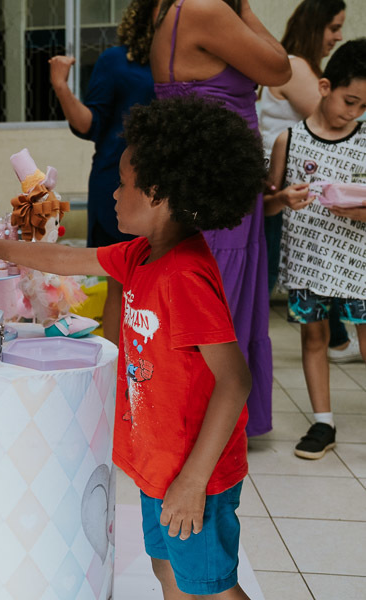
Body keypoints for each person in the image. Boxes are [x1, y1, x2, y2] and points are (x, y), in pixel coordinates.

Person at [0, 96, 261, 600]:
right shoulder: (139, 254)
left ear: (156, 194)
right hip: (161, 464)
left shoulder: (185, 275)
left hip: (195, 471)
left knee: (213, 588)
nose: (112, 193)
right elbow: (58, 257)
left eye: (123, 183)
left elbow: (235, 381)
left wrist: (193, 481)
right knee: (169, 573)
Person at [149, 0, 292, 438]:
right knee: (216, 300)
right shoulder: (207, 8)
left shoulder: (168, 7)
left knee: (209, 292)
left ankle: (202, 418)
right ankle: (205, 424)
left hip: (208, 177)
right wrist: (245, 7)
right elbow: (279, 68)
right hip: (216, 183)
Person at [263, 38, 366, 460]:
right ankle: (323, 422)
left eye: (363, 107)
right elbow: (266, 205)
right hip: (308, 259)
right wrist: (283, 199)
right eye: (350, 101)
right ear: (324, 86)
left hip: (359, 263)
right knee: (313, 338)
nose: (354, 113)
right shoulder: (289, 140)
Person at [49, 0, 156, 345]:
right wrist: (61, 86)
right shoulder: (116, 60)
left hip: (167, 184)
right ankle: (116, 369)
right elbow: (88, 126)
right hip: (118, 179)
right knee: (120, 280)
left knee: (162, 280)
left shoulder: (184, 61)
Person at [261, 0, 360, 364]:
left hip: (295, 189)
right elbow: (330, 124)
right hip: (284, 188)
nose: (338, 36)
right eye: (334, 27)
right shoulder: (296, 66)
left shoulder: (299, 65)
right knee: (290, 274)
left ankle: (334, 340)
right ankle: (333, 342)